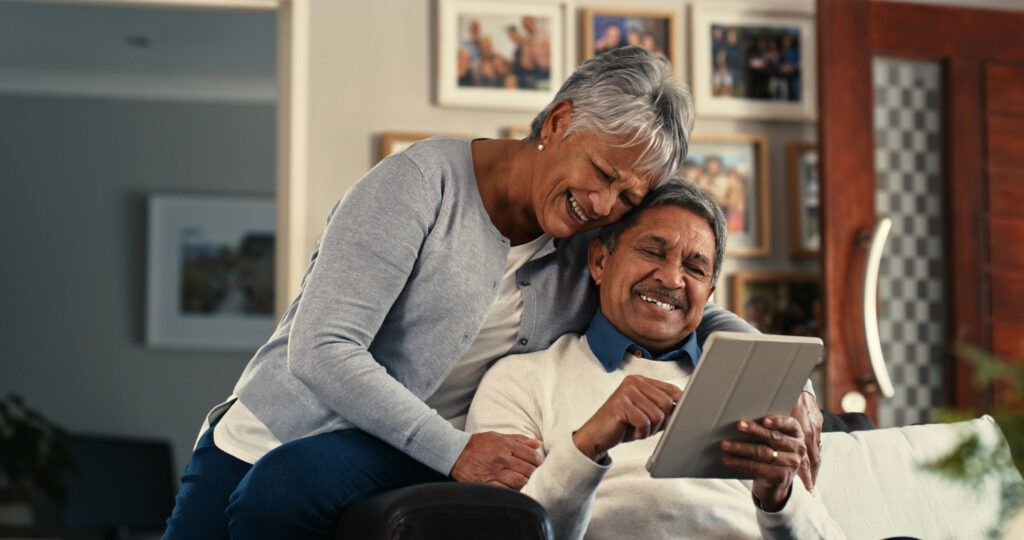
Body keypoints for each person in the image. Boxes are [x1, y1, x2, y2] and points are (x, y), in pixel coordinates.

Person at [164, 46, 805, 539]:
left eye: (629, 198)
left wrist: (789, 387)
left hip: (409, 451)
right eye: (603, 174)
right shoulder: (418, 185)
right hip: (277, 436)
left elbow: (678, 296)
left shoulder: (587, 236)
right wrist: (457, 451)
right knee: (274, 488)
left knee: (289, 490)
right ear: (557, 121)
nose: (606, 205)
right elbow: (324, 348)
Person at [467, 181, 841, 539]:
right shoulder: (521, 380)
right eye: (652, 251)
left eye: (695, 268)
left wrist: (780, 500)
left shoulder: (749, 388)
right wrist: (587, 447)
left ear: (708, 293)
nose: (672, 279)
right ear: (599, 261)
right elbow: (512, 532)